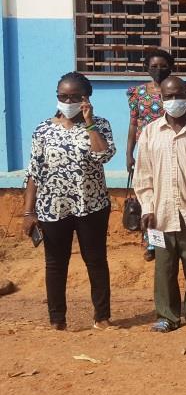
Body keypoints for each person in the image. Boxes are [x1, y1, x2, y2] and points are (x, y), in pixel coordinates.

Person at [21, 72, 116, 330]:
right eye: (63, 96)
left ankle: (102, 317)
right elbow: (34, 172)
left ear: (87, 98)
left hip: (91, 206)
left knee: (96, 261)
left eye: (75, 96)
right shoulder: (43, 129)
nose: (68, 101)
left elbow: (104, 155)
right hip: (53, 207)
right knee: (55, 264)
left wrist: (89, 123)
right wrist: (28, 212)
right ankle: (57, 320)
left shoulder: (100, 125)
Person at [133, 76, 186, 333]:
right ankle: (167, 315)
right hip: (160, 215)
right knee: (164, 268)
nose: (174, 100)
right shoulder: (150, 132)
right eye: (169, 96)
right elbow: (143, 176)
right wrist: (147, 208)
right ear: (161, 98)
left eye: (179, 95)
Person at [126, 48, 186, 262]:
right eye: (154, 66)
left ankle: (180, 238)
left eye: (163, 66)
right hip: (151, 152)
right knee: (150, 198)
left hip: (178, 149)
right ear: (146, 68)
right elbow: (133, 124)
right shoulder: (138, 93)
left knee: (175, 194)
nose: (159, 70)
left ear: (171, 67)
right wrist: (129, 153)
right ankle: (152, 243)